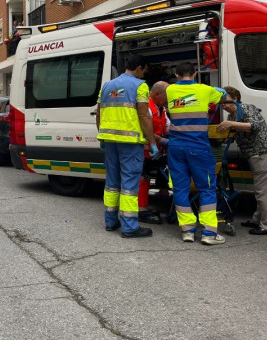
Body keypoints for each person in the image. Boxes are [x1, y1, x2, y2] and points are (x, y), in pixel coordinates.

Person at [96, 54, 158, 238]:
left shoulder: (107, 86)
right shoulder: (140, 86)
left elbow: (99, 113)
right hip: (130, 143)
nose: (143, 75)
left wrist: (101, 136)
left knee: (112, 183)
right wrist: (152, 142)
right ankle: (130, 227)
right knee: (130, 184)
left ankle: (110, 221)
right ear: (139, 67)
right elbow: (144, 115)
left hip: (109, 141)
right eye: (144, 71)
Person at [166, 62, 225, 245]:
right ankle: (208, 233)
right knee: (206, 188)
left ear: (176, 74)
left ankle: (187, 231)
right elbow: (222, 95)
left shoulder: (170, 91)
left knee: (180, 189)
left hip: (176, 148)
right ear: (195, 73)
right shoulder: (205, 90)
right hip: (199, 147)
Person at [217, 86, 267, 235]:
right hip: (255, 155)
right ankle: (257, 220)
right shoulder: (231, 117)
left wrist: (231, 125)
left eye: (226, 102)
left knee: (264, 192)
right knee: (260, 190)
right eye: (221, 103)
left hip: (264, 153)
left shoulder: (246, 108)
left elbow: (256, 126)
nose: (224, 106)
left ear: (236, 99)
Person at [138, 81, 170, 224]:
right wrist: (161, 140)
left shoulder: (161, 108)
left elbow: (168, 125)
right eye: (166, 95)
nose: (169, 98)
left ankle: (163, 197)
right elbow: (145, 130)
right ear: (156, 94)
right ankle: (141, 210)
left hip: (156, 151)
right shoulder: (148, 108)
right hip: (145, 151)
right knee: (143, 179)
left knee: (165, 170)